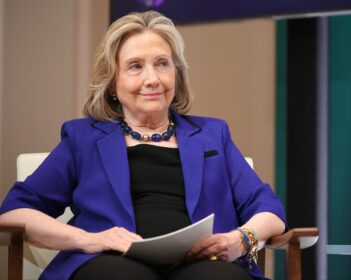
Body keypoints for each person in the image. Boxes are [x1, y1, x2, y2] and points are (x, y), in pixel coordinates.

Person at [0, 11, 286, 280]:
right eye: (135, 67)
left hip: (202, 264)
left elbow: (270, 210)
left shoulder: (212, 134)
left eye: (162, 64)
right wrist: (90, 240)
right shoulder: (82, 138)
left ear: (176, 72)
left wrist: (240, 240)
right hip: (111, 263)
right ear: (112, 82)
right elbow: (14, 213)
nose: (152, 79)